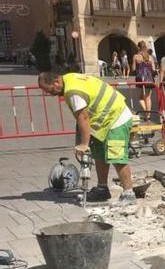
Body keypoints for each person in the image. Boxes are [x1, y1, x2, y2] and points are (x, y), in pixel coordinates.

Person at [37, 71, 136, 205]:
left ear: (56, 82)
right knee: (99, 154)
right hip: (106, 119)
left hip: (116, 118)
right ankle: (102, 189)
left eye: (50, 90)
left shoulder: (73, 92)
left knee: (117, 156)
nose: (49, 94)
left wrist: (84, 144)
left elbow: (83, 118)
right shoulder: (68, 78)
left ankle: (129, 193)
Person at [133, 41, 155, 116]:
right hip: (149, 78)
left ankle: (146, 112)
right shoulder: (150, 57)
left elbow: (133, 69)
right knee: (148, 97)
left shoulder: (136, 56)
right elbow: (154, 69)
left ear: (138, 47)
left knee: (140, 98)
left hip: (140, 79)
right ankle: (148, 115)